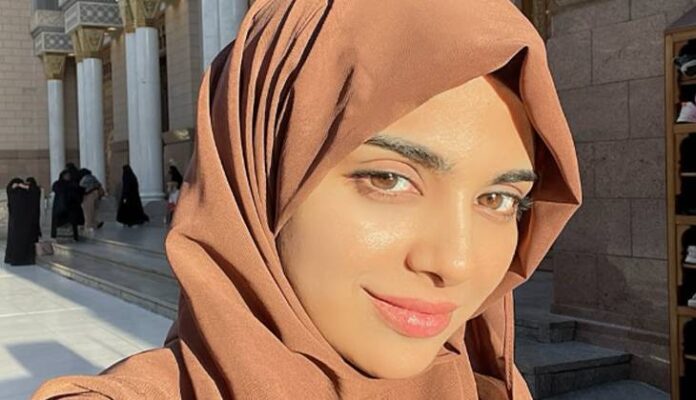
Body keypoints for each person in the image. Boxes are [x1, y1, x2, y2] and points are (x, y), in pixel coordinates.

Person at [32, 0, 581, 399]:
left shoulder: (486, 386)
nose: (456, 262)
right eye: (388, 179)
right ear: (261, 179)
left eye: (499, 199)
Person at [4, 178, 39, 265]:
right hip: (23, 223)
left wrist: (22, 186)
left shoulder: (17, 193)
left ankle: (16, 259)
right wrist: (23, 187)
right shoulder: (19, 193)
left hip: (19, 223)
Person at [50, 170, 82, 241]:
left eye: (69, 175)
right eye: (66, 175)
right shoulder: (58, 184)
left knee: (71, 223)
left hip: (70, 208)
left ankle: (72, 237)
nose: (68, 177)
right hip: (61, 208)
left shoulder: (72, 184)